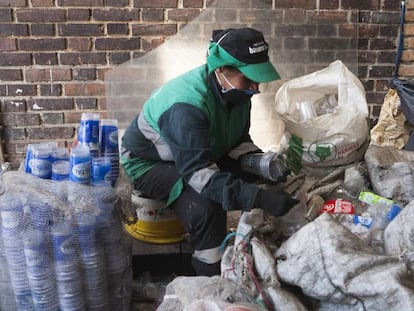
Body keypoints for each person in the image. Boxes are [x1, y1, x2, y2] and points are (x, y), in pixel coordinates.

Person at [121, 27, 298, 276]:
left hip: (195, 153)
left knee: (250, 180)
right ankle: (210, 272)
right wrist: (259, 199)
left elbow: (238, 140)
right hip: (150, 163)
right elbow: (199, 174)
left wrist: (259, 163)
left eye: (257, 79)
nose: (255, 87)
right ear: (221, 69)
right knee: (206, 203)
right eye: (248, 79)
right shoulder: (187, 106)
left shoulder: (237, 94)